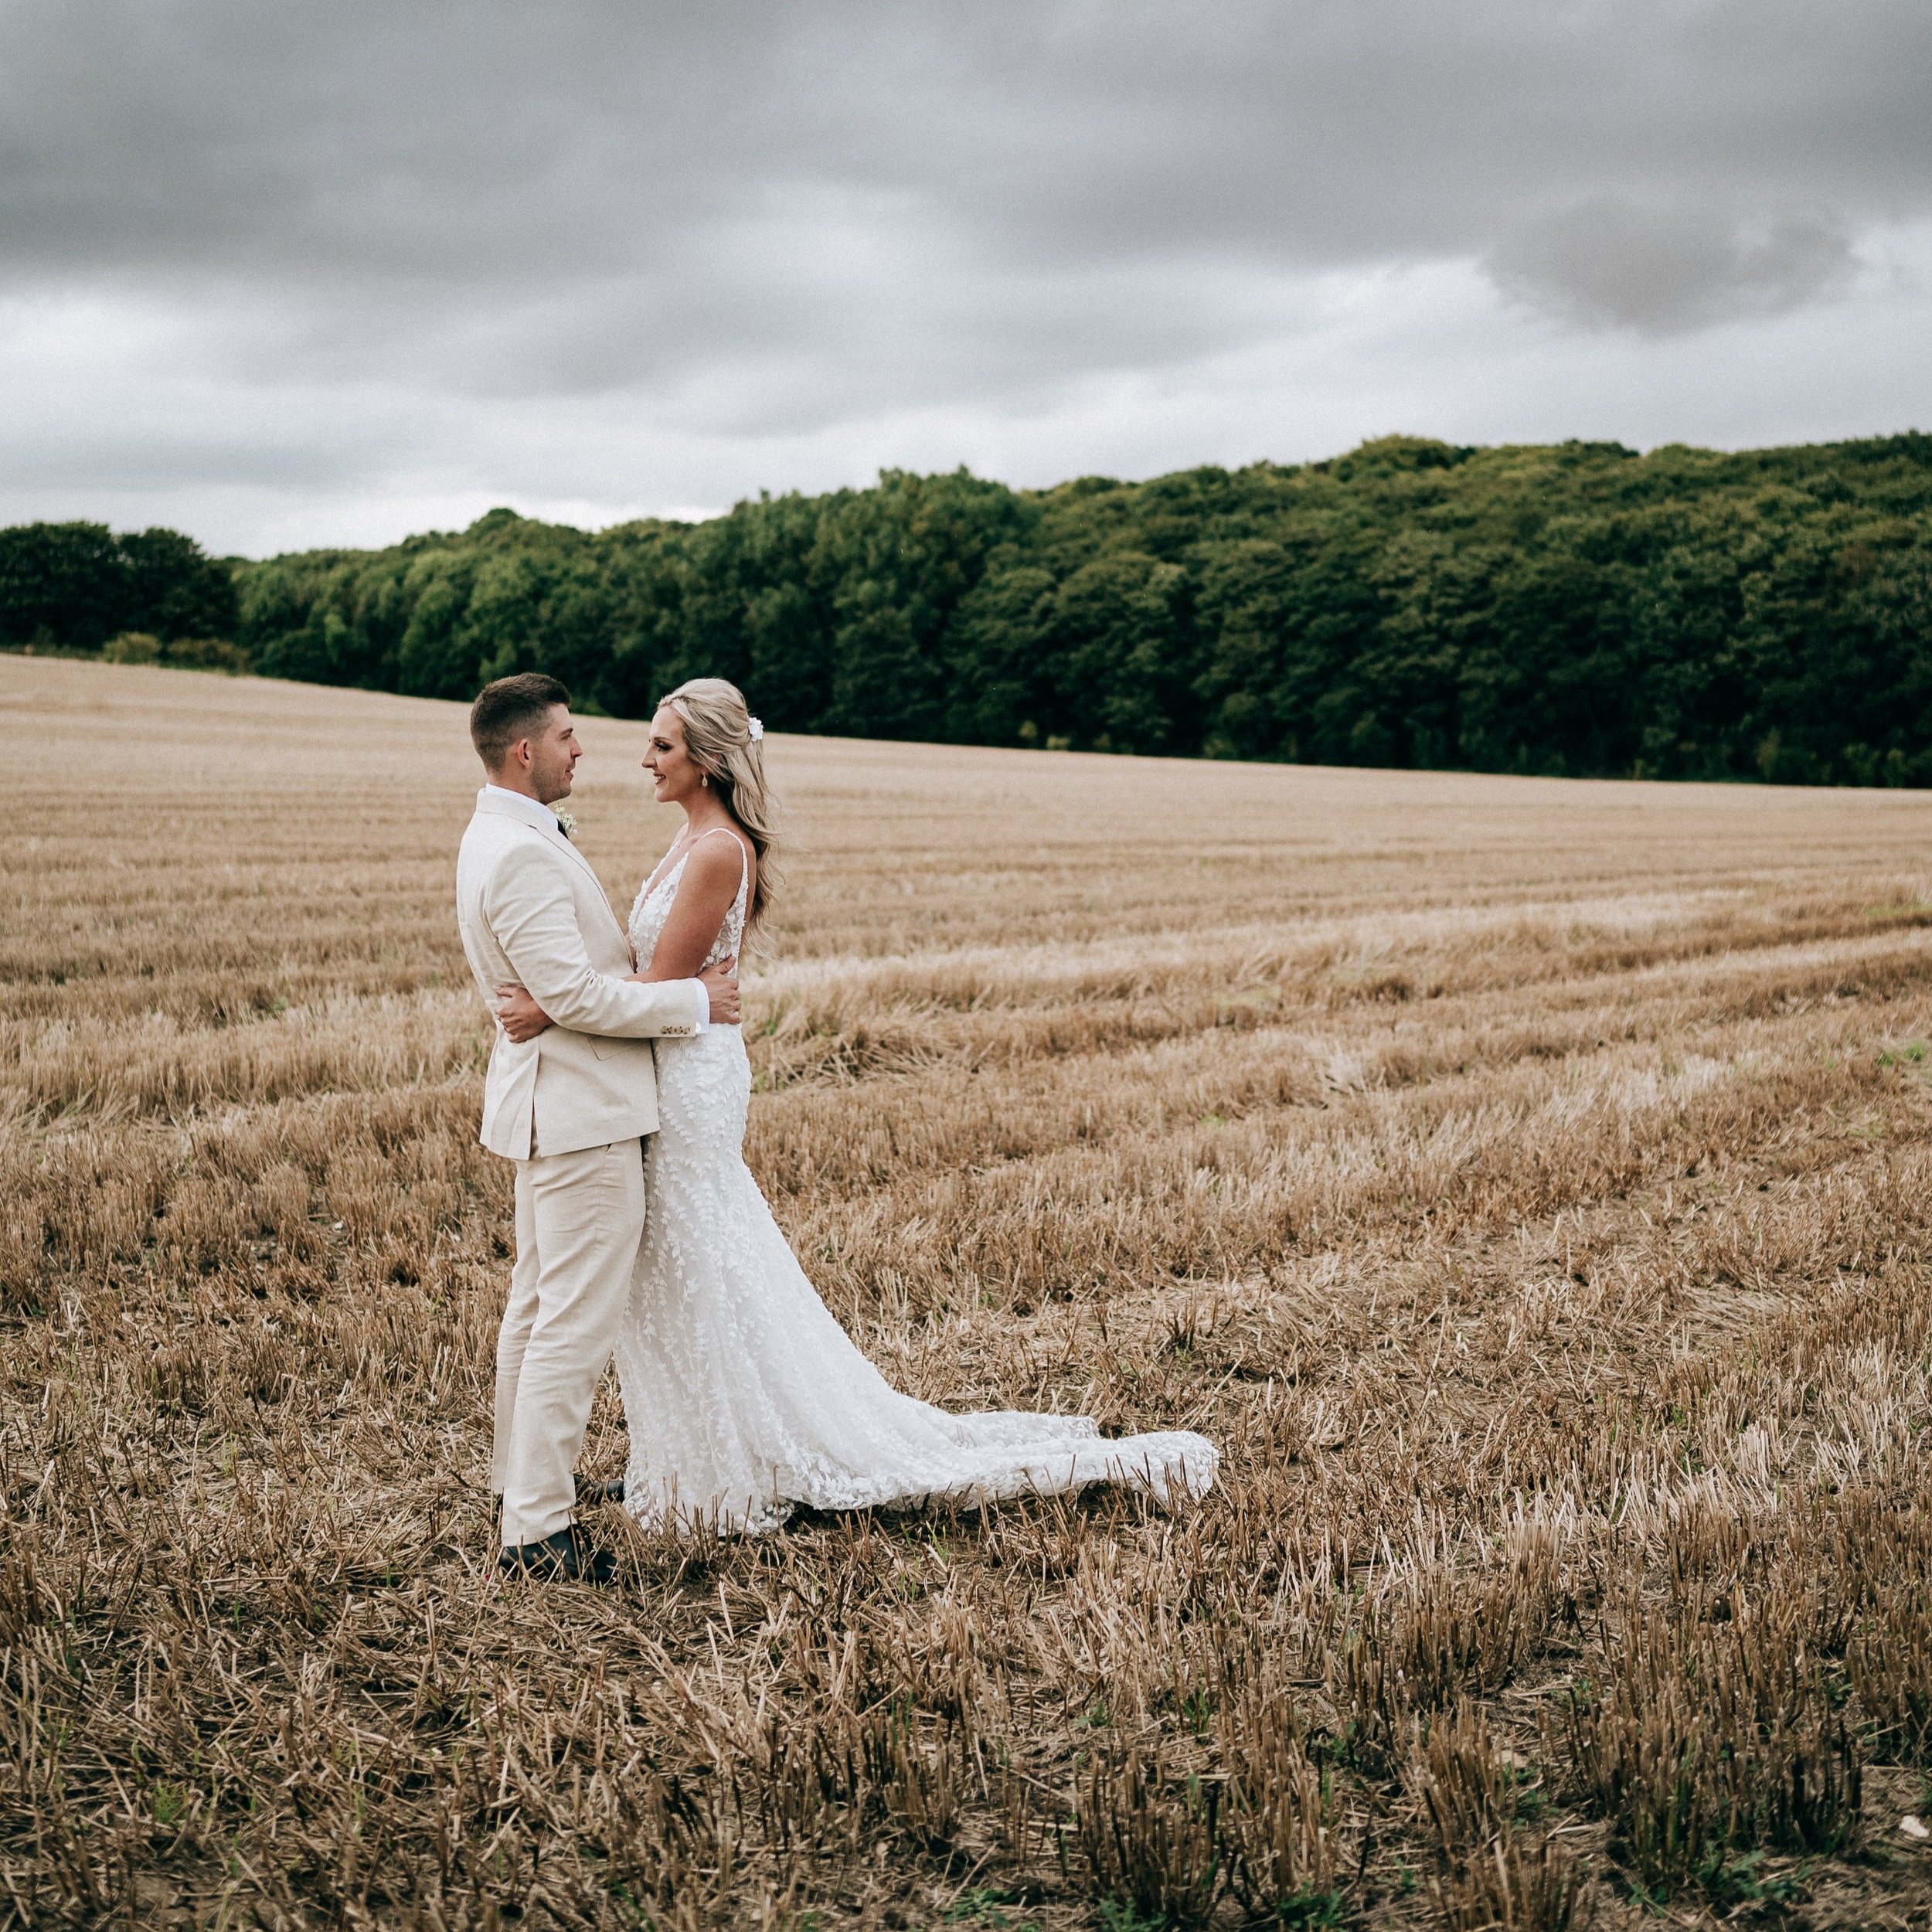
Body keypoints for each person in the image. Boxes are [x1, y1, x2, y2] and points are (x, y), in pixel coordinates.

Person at [497, 677, 1216, 1539]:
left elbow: (656, 986)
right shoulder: (688, 838)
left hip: (688, 1073)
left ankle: (744, 1454)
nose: (642, 759)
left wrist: (549, 1005)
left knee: (697, 1255)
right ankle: (696, 1453)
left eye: (663, 746)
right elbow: (661, 978)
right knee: (682, 1266)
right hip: (672, 1055)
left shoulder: (718, 849)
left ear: (710, 761)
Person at [454, 673, 741, 1584]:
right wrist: (695, 998)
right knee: (568, 1327)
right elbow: (577, 991)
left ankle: (518, 1490)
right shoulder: (522, 851)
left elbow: (568, 984)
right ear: (525, 751)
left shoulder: (501, 834)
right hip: (580, 1114)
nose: (585, 749)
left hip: (554, 1104)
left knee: (537, 1311)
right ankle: (537, 1532)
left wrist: (557, 1000)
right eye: (570, 736)